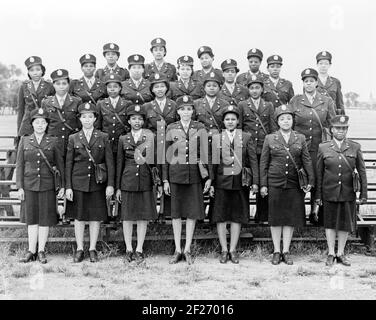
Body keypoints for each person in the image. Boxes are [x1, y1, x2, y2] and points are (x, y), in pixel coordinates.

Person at [260, 104, 314, 265]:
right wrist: (263, 184)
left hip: (294, 183)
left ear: (293, 120)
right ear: (277, 121)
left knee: (290, 218)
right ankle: (277, 250)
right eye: (282, 119)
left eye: (288, 118)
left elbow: (306, 160)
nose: (285, 121)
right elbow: (264, 163)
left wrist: (311, 180)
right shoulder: (270, 138)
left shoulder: (300, 138)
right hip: (275, 182)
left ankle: (286, 250)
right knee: (276, 218)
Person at [163, 95, 212, 265]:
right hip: (175, 174)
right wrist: (165, 180)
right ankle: (177, 249)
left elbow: (206, 153)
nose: (186, 112)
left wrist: (208, 177)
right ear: (178, 111)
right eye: (182, 109)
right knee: (176, 214)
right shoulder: (171, 127)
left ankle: (188, 249)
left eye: (189, 109)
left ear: (193, 111)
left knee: (192, 213)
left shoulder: (200, 127)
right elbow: (165, 155)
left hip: (194, 175)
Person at [65, 102, 114, 263]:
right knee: (78, 218)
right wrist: (68, 187)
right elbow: (69, 164)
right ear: (79, 119)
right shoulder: (73, 138)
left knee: (95, 217)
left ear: (95, 118)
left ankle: (92, 248)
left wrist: (110, 184)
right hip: (78, 182)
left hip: (97, 183)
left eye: (90, 117)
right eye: (84, 117)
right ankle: (80, 248)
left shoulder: (103, 137)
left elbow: (109, 162)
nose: (87, 120)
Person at [316, 115, 367, 266]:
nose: (341, 131)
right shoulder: (323, 147)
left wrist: (363, 194)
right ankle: (331, 252)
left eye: (344, 128)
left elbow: (362, 171)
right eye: (338, 128)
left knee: (345, 224)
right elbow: (319, 174)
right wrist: (318, 196)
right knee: (330, 223)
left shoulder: (354, 147)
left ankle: (341, 253)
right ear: (331, 130)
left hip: (347, 191)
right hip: (329, 191)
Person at [210, 105, 259, 264]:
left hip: (240, 182)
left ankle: (233, 250)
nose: (230, 122)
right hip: (221, 182)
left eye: (233, 119)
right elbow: (213, 162)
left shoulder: (246, 137)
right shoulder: (217, 137)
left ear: (238, 121)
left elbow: (252, 160)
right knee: (221, 216)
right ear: (223, 121)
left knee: (237, 217)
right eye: (227, 119)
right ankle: (224, 250)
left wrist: (255, 182)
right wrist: (211, 182)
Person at [16, 108, 65, 263]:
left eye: (43, 122)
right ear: (32, 124)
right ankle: (31, 250)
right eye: (37, 122)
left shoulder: (53, 141)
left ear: (46, 125)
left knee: (44, 218)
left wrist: (62, 186)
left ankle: (42, 250)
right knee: (31, 219)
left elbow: (60, 165)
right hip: (29, 184)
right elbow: (20, 165)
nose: (40, 125)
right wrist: (20, 187)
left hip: (47, 185)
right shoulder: (24, 141)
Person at [289, 68, 336, 224]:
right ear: (302, 83)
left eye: (311, 81)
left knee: (318, 178)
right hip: (299, 148)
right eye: (306, 81)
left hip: (319, 147)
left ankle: (316, 213)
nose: (308, 84)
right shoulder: (295, 101)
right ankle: (297, 215)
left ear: (316, 83)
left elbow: (331, 124)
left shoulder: (326, 101)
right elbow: (288, 123)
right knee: (299, 179)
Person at [116, 105, 161, 263]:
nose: (137, 121)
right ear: (128, 121)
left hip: (145, 180)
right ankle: (128, 248)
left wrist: (159, 183)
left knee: (143, 216)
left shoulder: (151, 137)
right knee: (127, 217)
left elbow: (155, 161)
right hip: (127, 181)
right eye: (134, 118)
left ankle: (139, 248)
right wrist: (118, 188)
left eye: (140, 119)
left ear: (144, 121)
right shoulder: (123, 139)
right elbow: (119, 164)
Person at [238, 74, 278, 222]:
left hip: (263, 149)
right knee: (246, 179)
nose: (254, 91)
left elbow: (272, 128)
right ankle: (244, 214)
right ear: (248, 90)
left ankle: (262, 215)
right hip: (247, 149)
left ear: (262, 89)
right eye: (252, 88)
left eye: (257, 88)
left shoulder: (268, 106)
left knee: (263, 179)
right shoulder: (242, 105)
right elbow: (240, 127)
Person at [42, 69, 82, 154]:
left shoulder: (76, 101)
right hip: (52, 145)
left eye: (64, 83)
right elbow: (44, 125)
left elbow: (79, 125)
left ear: (68, 85)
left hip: (71, 144)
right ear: (53, 85)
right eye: (58, 84)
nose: (61, 86)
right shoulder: (46, 102)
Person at [96, 74, 133, 159]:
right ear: (106, 88)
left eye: (115, 87)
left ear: (120, 88)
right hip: (106, 143)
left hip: (122, 143)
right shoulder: (101, 104)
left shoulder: (127, 104)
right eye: (109, 87)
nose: (112, 89)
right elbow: (98, 126)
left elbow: (130, 125)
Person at [17, 56, 55, 138]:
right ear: (28, 72)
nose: (35, 73)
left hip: (45, 124)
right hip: (27, 125)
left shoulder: (50, 86)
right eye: (31, 70)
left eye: (38, 69)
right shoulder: (24, 86)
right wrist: (19, 131)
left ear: (42, 71)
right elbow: (20, 110)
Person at [194, 71, 230, 140]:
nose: (211, 88)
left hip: (219, 141)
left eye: (214, 86)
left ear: (219, 88)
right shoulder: (196, 104)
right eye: (208, 85)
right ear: (204, 88)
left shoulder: (225, 104)